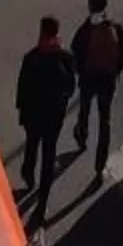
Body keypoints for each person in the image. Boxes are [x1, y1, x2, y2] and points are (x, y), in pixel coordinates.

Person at [14, 15, 74, 217]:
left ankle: (28, 176)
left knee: (32, 146)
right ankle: (42, 202)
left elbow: (22, 89)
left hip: (33, 116)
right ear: (57, 33)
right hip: (53, 118)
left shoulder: (32, 58)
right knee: (49, 157)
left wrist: (22, 112)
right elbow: (71, 88)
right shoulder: (65, 58)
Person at [70, 0, 123, 173]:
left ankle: (81, 136)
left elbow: (75, 53)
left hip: (89, 80)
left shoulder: (85, 30)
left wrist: (81, 73)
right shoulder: (115, 28)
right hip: (108, 81)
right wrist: (115, 73)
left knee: (84, 110)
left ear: (90, 6)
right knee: (105, 120)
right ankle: (100, 164)